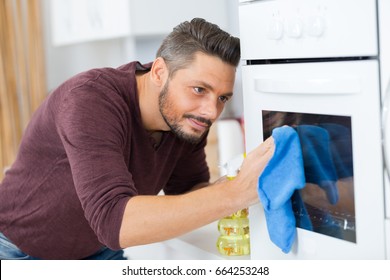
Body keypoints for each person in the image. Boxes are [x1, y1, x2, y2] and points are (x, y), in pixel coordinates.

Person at [0, 18, 274, 260]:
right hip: (18, 250)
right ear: (158, 72)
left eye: (222, 97)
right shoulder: (90, 100)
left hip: (99, 252)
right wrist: (232, 194)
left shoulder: (185, 120)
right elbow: (113, 220)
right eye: (199, 89)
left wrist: (245, 185)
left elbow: (189, 192)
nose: (211, 111)